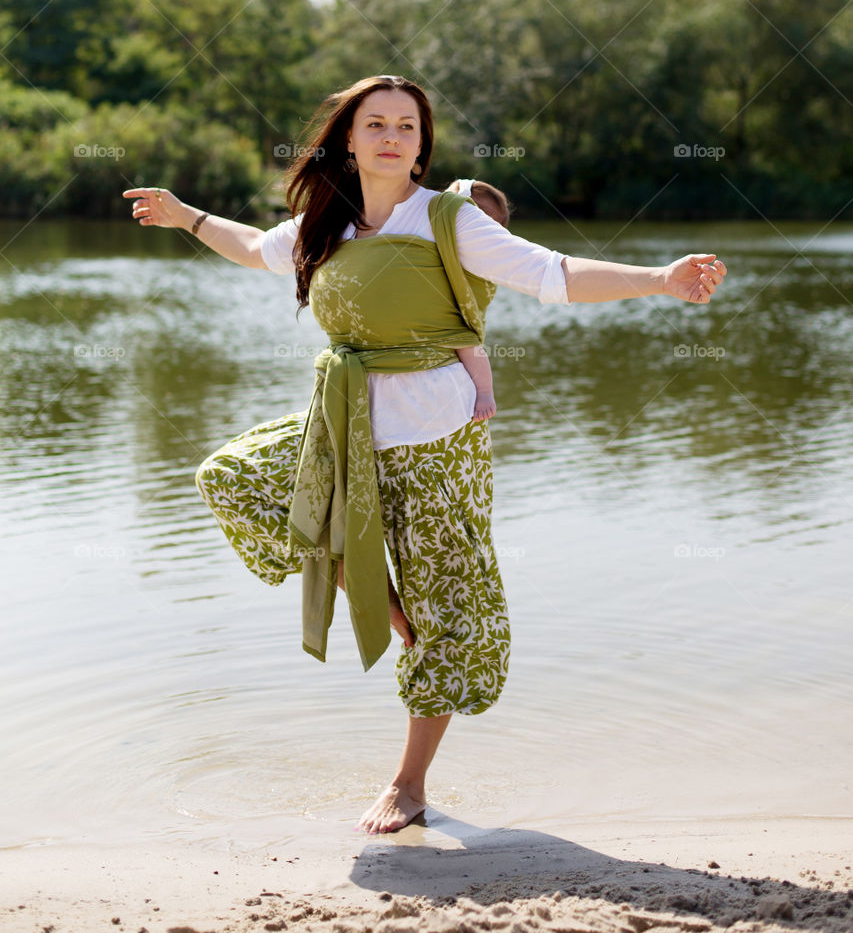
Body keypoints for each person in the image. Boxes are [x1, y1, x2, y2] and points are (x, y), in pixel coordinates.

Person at [122, 74, 727, 836]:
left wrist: (658, 280)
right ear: (347, 138)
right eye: (374, 123)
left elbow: (552, 275)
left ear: (421, 144)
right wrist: (187, 217)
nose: (390, 136)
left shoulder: (447, 219)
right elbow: (253, 248)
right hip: (343, 422)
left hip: (435, 440)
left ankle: (408, 785)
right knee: (233, 476)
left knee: (448, 616)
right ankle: (359, 580)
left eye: (406, 127)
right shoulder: (324, 221)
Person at [445, 177, 511, 422]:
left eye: (490, 225)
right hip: (443, 317)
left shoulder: (488, 254)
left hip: (464, 324)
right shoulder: (439, 239)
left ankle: (485, 392)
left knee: (469, 346)